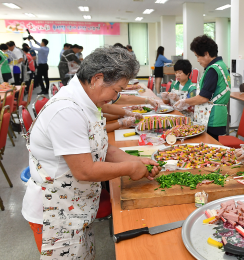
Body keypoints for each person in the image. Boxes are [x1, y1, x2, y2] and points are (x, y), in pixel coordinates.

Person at [22, 47, 161, 259]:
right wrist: (131, 167)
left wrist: (136, 160)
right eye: (116, 90)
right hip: (55, 211)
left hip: (76, 206)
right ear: (97, 78)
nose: (116, 97)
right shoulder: (67, 111)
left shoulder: (86, 102)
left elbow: (100, 147)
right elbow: (85, 170)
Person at [173, 35, 230, 140]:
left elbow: (204, 97)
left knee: (210, 147)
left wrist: (184, 102)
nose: (198, 60)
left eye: (197, 56)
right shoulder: (222, 65)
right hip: (218, 116)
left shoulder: (213, 69)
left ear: (206, 54)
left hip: (212, 118)